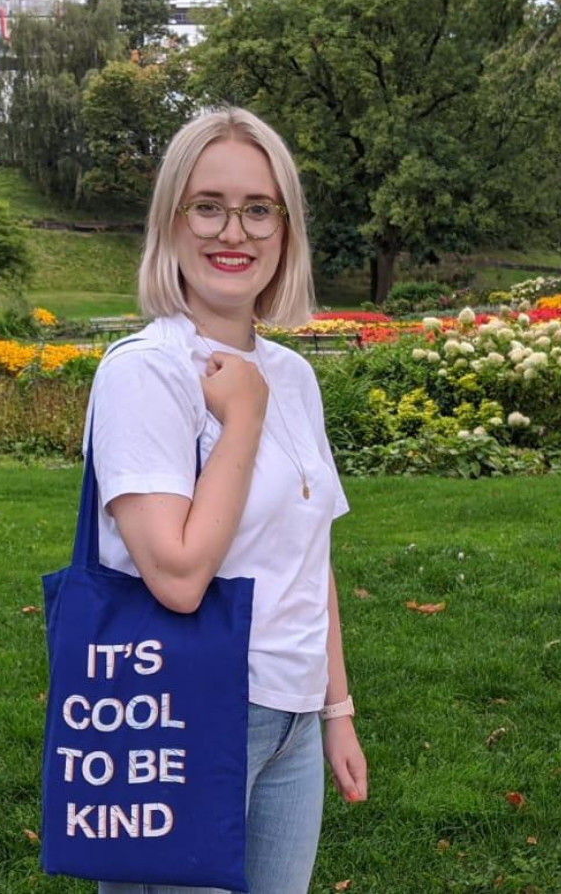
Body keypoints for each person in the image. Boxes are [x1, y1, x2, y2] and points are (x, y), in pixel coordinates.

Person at [84, 106, 367, 894]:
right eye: (207, 205)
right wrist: (241, 419)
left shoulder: (295, 377)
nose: (232, 232)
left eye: (257, 209)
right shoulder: (145, 373)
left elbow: (311, 558)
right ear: (172, 222)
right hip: (187, 710)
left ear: (285, 229)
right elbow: (177, 577)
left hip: (292, 721)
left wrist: (334, 709)